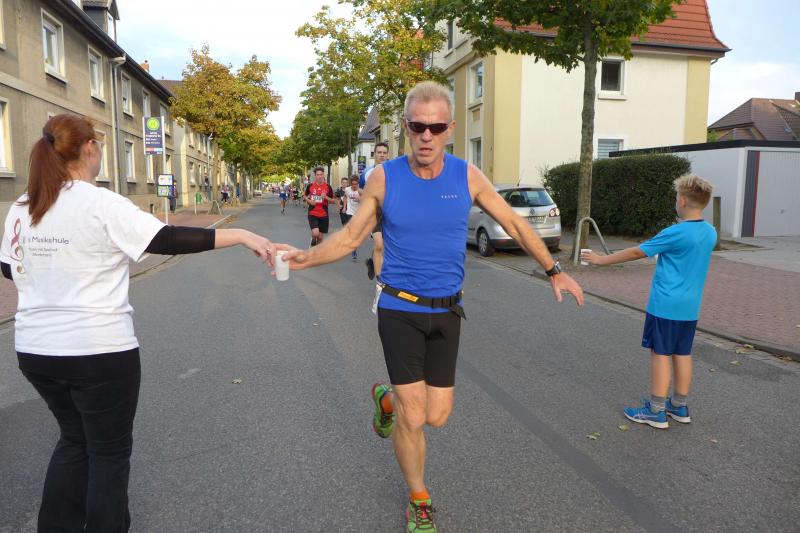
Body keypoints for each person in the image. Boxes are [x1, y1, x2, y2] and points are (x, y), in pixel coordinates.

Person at [280, 82, 584, 532]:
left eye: (436, 127)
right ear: (405, 127)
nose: (426, 135)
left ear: (450, 129)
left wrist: (554, 269)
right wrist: (304, 258)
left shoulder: (467, 176)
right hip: (400, 308)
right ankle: (419, 498)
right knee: (415, 415)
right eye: (418, 126)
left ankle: (385, 400)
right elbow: (351, 237)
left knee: (436, 415)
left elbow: (513, 221)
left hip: (447, 312)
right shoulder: (385, 178)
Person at [0, 114, 278, 533]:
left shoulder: (24, 205)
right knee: (107, 453)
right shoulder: (100, 202)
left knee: (74, 441)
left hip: (36, 351)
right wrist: (242, 236)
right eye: (100, 146)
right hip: (97, 352)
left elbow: (9, 268)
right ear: (89, 148)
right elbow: (165, 238)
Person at [582, 174, 716, 429]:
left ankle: (656, 410)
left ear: (682, 200)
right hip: (690, 307)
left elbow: (637, 252)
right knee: (682, 353)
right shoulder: (710, 232)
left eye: (676, 197)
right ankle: (679, 406)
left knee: (660, 353)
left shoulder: (674, 232)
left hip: (666, 305)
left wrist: (600, 260)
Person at [363, 141, 389, 280]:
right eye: (379, 152)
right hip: (374, 213)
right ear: (375, 154)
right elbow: (360, 189)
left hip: (390, 213)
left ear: (387, 154)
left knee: (385, 246)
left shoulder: (394, 171)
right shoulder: (367, 172)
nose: (382, 155)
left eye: (384, 153)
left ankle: (372, 262)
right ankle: (380, 281)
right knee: (379, 244)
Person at [303, 167, 338, 247]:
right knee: (316, 233)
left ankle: (316, 251)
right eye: (318, 175)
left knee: (320, 237)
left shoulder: (328, 187)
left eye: (321, 174)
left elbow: (334, 201)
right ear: (315, 176)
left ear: (323, 175)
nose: (319, 176)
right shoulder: (310, 186)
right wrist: (309, 201)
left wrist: (326, 197)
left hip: (323, 214)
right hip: (313, 213)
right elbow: (304, 196)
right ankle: (313, 238)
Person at [343, 175, 362, 261]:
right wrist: (344, 207)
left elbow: (365, 200)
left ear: (358, 183)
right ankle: (353, 251)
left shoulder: (360, 191)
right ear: (351, 183)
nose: (354, 186)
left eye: (356, 184)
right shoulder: (347, 189)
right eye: (353, 184)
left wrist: (359, 199)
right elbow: (345, 197)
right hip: (349, 213)